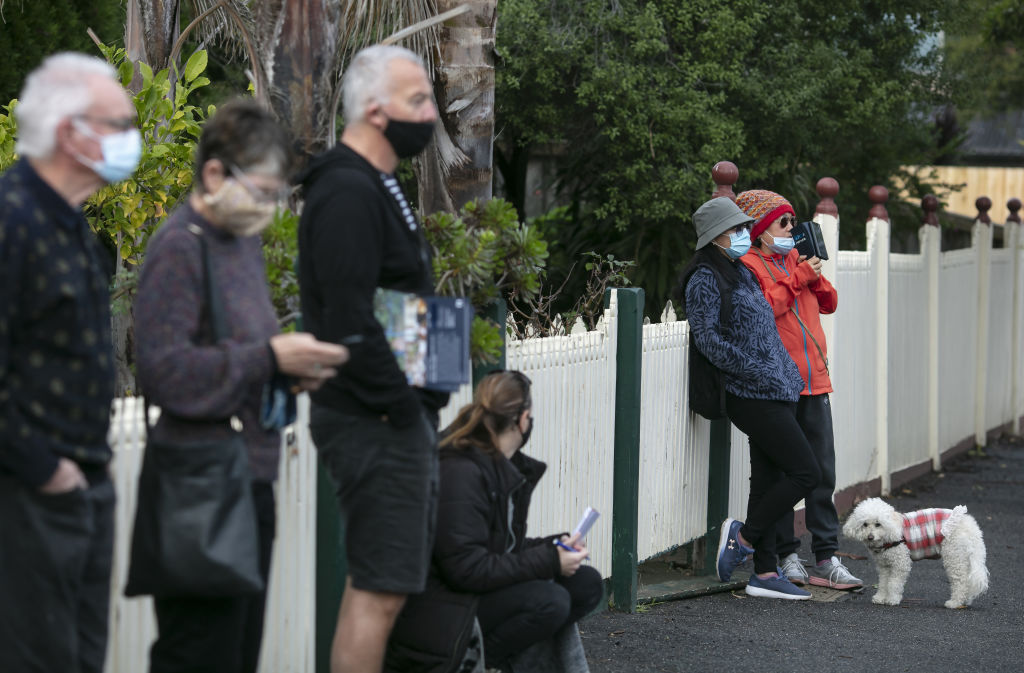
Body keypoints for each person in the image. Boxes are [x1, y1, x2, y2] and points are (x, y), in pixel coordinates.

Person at [133, 100, 348, 673]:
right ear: (214, 175)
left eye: (276, 195)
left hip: (249, 477)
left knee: (237, 653)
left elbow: (241, 360)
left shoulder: (239, 242)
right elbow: (163, 372)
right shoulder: (181, 247)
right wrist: (268, 356)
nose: (269, 208)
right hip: (200, 485)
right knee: (200, 653)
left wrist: (287, 371)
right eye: (260, 191)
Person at [297, 44, 450, 673]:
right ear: (372, 110)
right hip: (372, 420)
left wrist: (430, 388)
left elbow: (398, 298)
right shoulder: (345, 189)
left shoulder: (381, 183)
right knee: (378, 589)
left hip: (397, 414)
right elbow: (349, 318)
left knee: (391, 588)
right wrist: (400, 406)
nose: (432, 114)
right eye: (417, 101)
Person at [0, 52, 141, 673]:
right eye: (119, 124)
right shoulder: (12, 219)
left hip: (81, 487)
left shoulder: (69, 223)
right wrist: (44, 468)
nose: (131, 139)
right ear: (70, 133)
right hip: (27, 496)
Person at [388, 370, 603, 672]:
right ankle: (477, 661)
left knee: (586, 584)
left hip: (471, 592)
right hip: (442, 609)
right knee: (550, 601)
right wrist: (550, 561)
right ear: (522, 419)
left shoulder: (496, 463)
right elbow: (466, 569)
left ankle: (509, 659)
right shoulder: (461, 471)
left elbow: (502, 547)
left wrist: (554, 546)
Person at [676, 197, 821, 600]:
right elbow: (708, 341)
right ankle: (745, 536)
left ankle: (764, 573)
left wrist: (785, 374)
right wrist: (756, 370)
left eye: (745, 227)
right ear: (716, 235)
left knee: (769, 479)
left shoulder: (739, 270)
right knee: (806, 473)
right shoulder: (704, 277)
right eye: (737, 229)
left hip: (777, 389)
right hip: (748, 393)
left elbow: (765, 328)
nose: (744, 234)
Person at [735, 189, 862, 590]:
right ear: (760, 230)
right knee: (787, 475)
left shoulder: (795, 259)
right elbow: (762, 310)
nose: (793, 229)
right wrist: (796, 279)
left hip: (815, 381)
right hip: (780, 385)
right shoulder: (748, 264)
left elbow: (830, 304)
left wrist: (814, 276)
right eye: (783, 223)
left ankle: (826, 556)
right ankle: (788, 555)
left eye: (793, 221)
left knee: (822, 472)